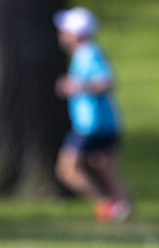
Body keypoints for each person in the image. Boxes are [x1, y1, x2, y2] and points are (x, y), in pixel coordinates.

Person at [54, 7, 132, 222]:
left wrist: (77, 87)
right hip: (104, 123)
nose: (61, 34)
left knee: (67, 169)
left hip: (91, 124)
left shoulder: (89, 53)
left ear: (76, 33)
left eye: (64, 30)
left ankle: (108, 207)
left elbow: (107, 82)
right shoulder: (85, 54)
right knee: (107, 171)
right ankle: (124, 213)